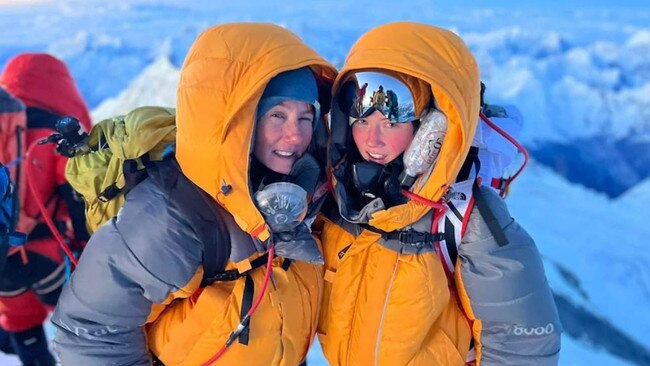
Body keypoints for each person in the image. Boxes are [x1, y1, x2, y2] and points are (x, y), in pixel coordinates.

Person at [51, 22, 337, 365]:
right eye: (277, 114)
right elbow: (88, 331)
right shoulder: (173, 216)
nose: (295, 136)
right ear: (237, 121)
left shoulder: (304, 198)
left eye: (306, 118)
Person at [317, 22, 561, 365]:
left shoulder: (469, 220)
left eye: (391, 123)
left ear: (430, 129)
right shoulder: (338, 198)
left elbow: (522, 348)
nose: (371, 140)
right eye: (361, 122)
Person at [0, 54, 91, 366]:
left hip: (3, 270)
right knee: (85, 330)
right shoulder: (54, 136)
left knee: (22, 329)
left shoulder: (6, 127)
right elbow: (81, 209)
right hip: (50, 260)